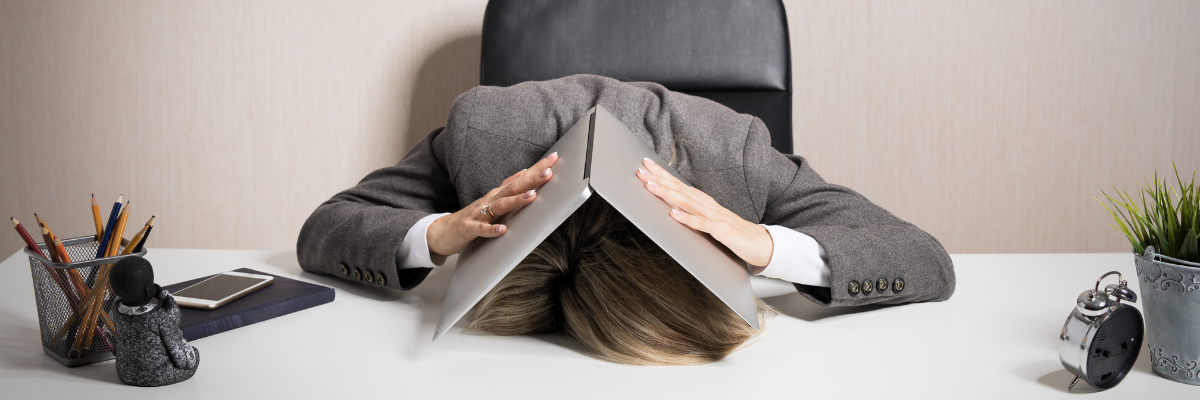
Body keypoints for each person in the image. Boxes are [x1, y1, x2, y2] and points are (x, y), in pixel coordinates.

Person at [297, 74, 955, 365]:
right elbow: (326, 226)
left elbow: (924, 256)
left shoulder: (739, 157)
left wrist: (764, 246)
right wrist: (436, 233)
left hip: (702, 150)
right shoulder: (481, 137)